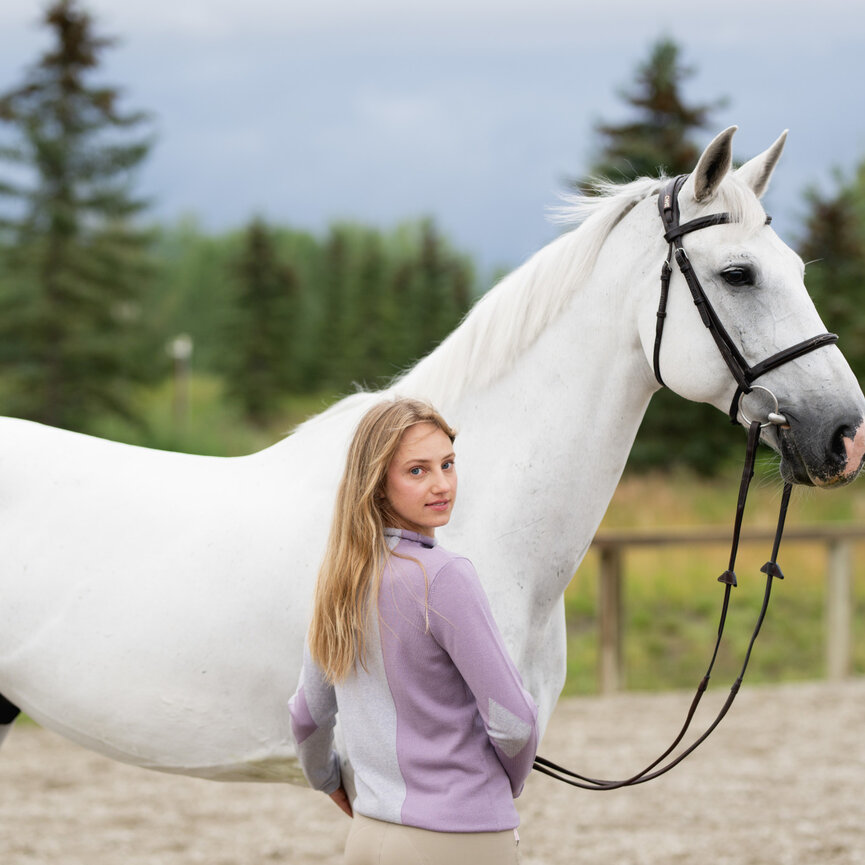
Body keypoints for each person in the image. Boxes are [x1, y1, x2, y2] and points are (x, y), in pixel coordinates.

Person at [288, 397, 538, 865]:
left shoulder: (339, 576)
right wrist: (507, 783)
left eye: (447, 464)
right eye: (418, 471)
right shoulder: (444, 577)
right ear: (378, 485)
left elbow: (307, 716)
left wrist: (328, 780)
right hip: (460, 839)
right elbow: (514, 722)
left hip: (368, 837)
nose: (442, 484)